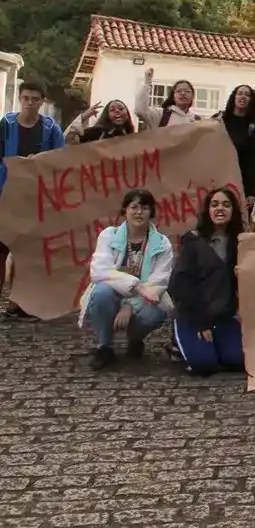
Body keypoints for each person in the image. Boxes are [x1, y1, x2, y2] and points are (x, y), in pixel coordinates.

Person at [81, 188, 173, 370]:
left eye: (144, 208)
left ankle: (135, 338)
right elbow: (100, 271)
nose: (139, 212)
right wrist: (136, 287)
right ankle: (104, 346)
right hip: (115, 295)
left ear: (151, 212)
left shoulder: (162, 244)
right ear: (125, 211)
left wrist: (130, 306)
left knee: (157, 311)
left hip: (143, 301)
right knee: (101, 292)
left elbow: (158, 283)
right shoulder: (108, 235)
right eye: (134, 207)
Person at [1, 79, 67, 318]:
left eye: (35, 99)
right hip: (6, 193)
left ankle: (16, 302)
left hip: (35, 197)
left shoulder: (51, 128)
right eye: (26, 98)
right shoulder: (6, 124)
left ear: (42, 102)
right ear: (20, 98)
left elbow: (61, 160)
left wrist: (40, 161)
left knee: (25, 252)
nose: (30, 103)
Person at [169, 188, 246, 376]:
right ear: (208, 210)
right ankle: (177, 345)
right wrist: (201, 322)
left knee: (236, 361)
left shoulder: (240, 243)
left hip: (223, 318)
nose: (220, 209)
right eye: (215, 204)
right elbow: (179, 285)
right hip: (194, 317)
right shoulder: (193, 242)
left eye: (226, 205)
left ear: (233, 212)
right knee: (204, 365)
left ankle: (217, 344)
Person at [215, 85, 255, 200]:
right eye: (240, 93)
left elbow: (253, 161)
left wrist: (250, 191)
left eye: (247, 95)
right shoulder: (220, 119)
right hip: (219, 177)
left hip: (241, 179)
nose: (243, 97)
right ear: (234, 97)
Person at [136, 69, 202, 128]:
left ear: (193, 96)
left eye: (187, 91)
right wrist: (147, 84)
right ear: (173, 97)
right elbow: (140, 111)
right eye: (178, 91)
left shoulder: (198, 120)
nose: (183, 93)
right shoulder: (161, 115)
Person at [66, 99, 135, 144]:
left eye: (121, 108)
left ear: (127, 113)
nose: (117, 111)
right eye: (112, 110)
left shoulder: (133, 138)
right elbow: (68, 140)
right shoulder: (97, 133)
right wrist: (84, 116)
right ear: (107, 116)